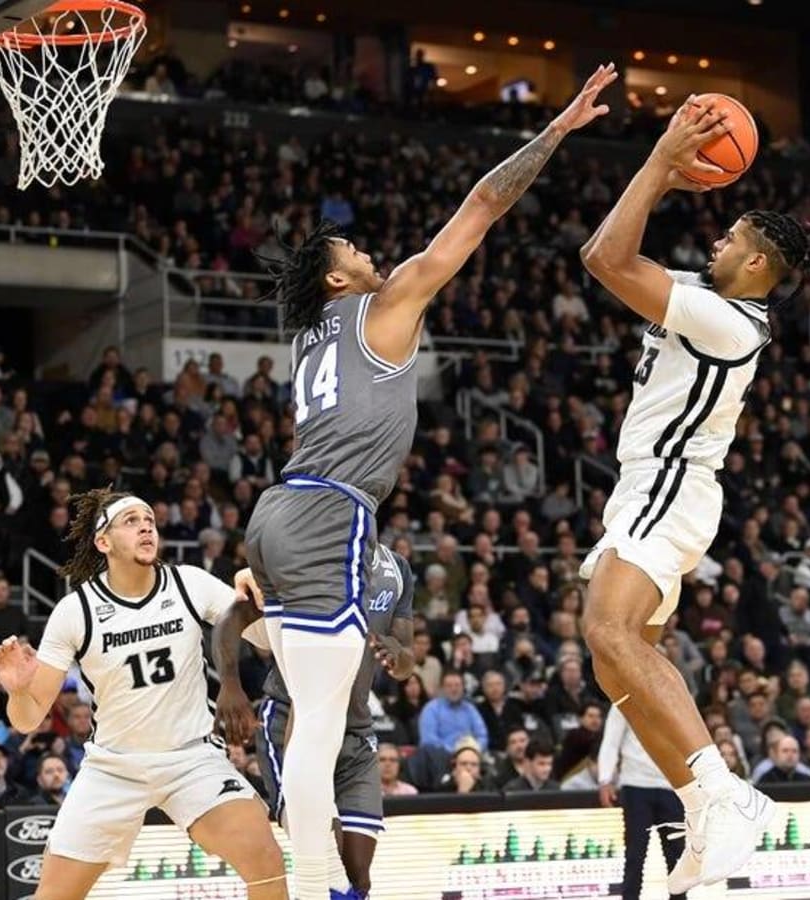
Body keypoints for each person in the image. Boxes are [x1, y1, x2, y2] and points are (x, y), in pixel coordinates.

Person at [238, 64, 617, 900]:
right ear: (340, 278)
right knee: (322, 719)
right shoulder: (387, 302)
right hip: (330, 512)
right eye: (353, 250)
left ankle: (312, 875)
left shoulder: (311, 330)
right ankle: (317, 884)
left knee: (313, 708)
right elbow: (480, 208)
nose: (371, 251)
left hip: (279, 510)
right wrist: (554, 133)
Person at [576, 96, 810, 892]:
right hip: (655, 485)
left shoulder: (731, 319)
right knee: (619, 661)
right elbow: (608, 251)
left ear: (759, 266)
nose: (718, 238)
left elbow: (603, 259)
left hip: (668, 482)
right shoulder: (713, 301)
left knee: (607, 625)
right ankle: (700, 801)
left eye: (733, 238)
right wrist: (659, 171)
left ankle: (723, 791)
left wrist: (663, 163)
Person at [0, 488, 286, 900]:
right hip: (114, 768)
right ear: (103, 542)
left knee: (266, 860)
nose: (146, 525)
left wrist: (263, 598)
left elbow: (267, 641)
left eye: (150, 519)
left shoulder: (189, 583)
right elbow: (27, 718)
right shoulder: (76, 611)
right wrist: (18, 692)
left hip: (191, 759)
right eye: (131, 520)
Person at [223, 543, 416, 900]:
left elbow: (406, 663)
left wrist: (397, 654)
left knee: (357, 878)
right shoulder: (306, 552)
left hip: (355, 731)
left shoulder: (396, 567)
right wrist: (230, 685)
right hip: (291, 718)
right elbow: (232, 617)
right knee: (325, 864)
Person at [598, 704, 685, 900]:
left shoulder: (671, 697)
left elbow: (686, 740)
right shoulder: (623, 701)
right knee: (635, 856)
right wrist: (605, 779)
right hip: (635, 784)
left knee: (678, 857)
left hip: (671, 786)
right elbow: (611, 742)